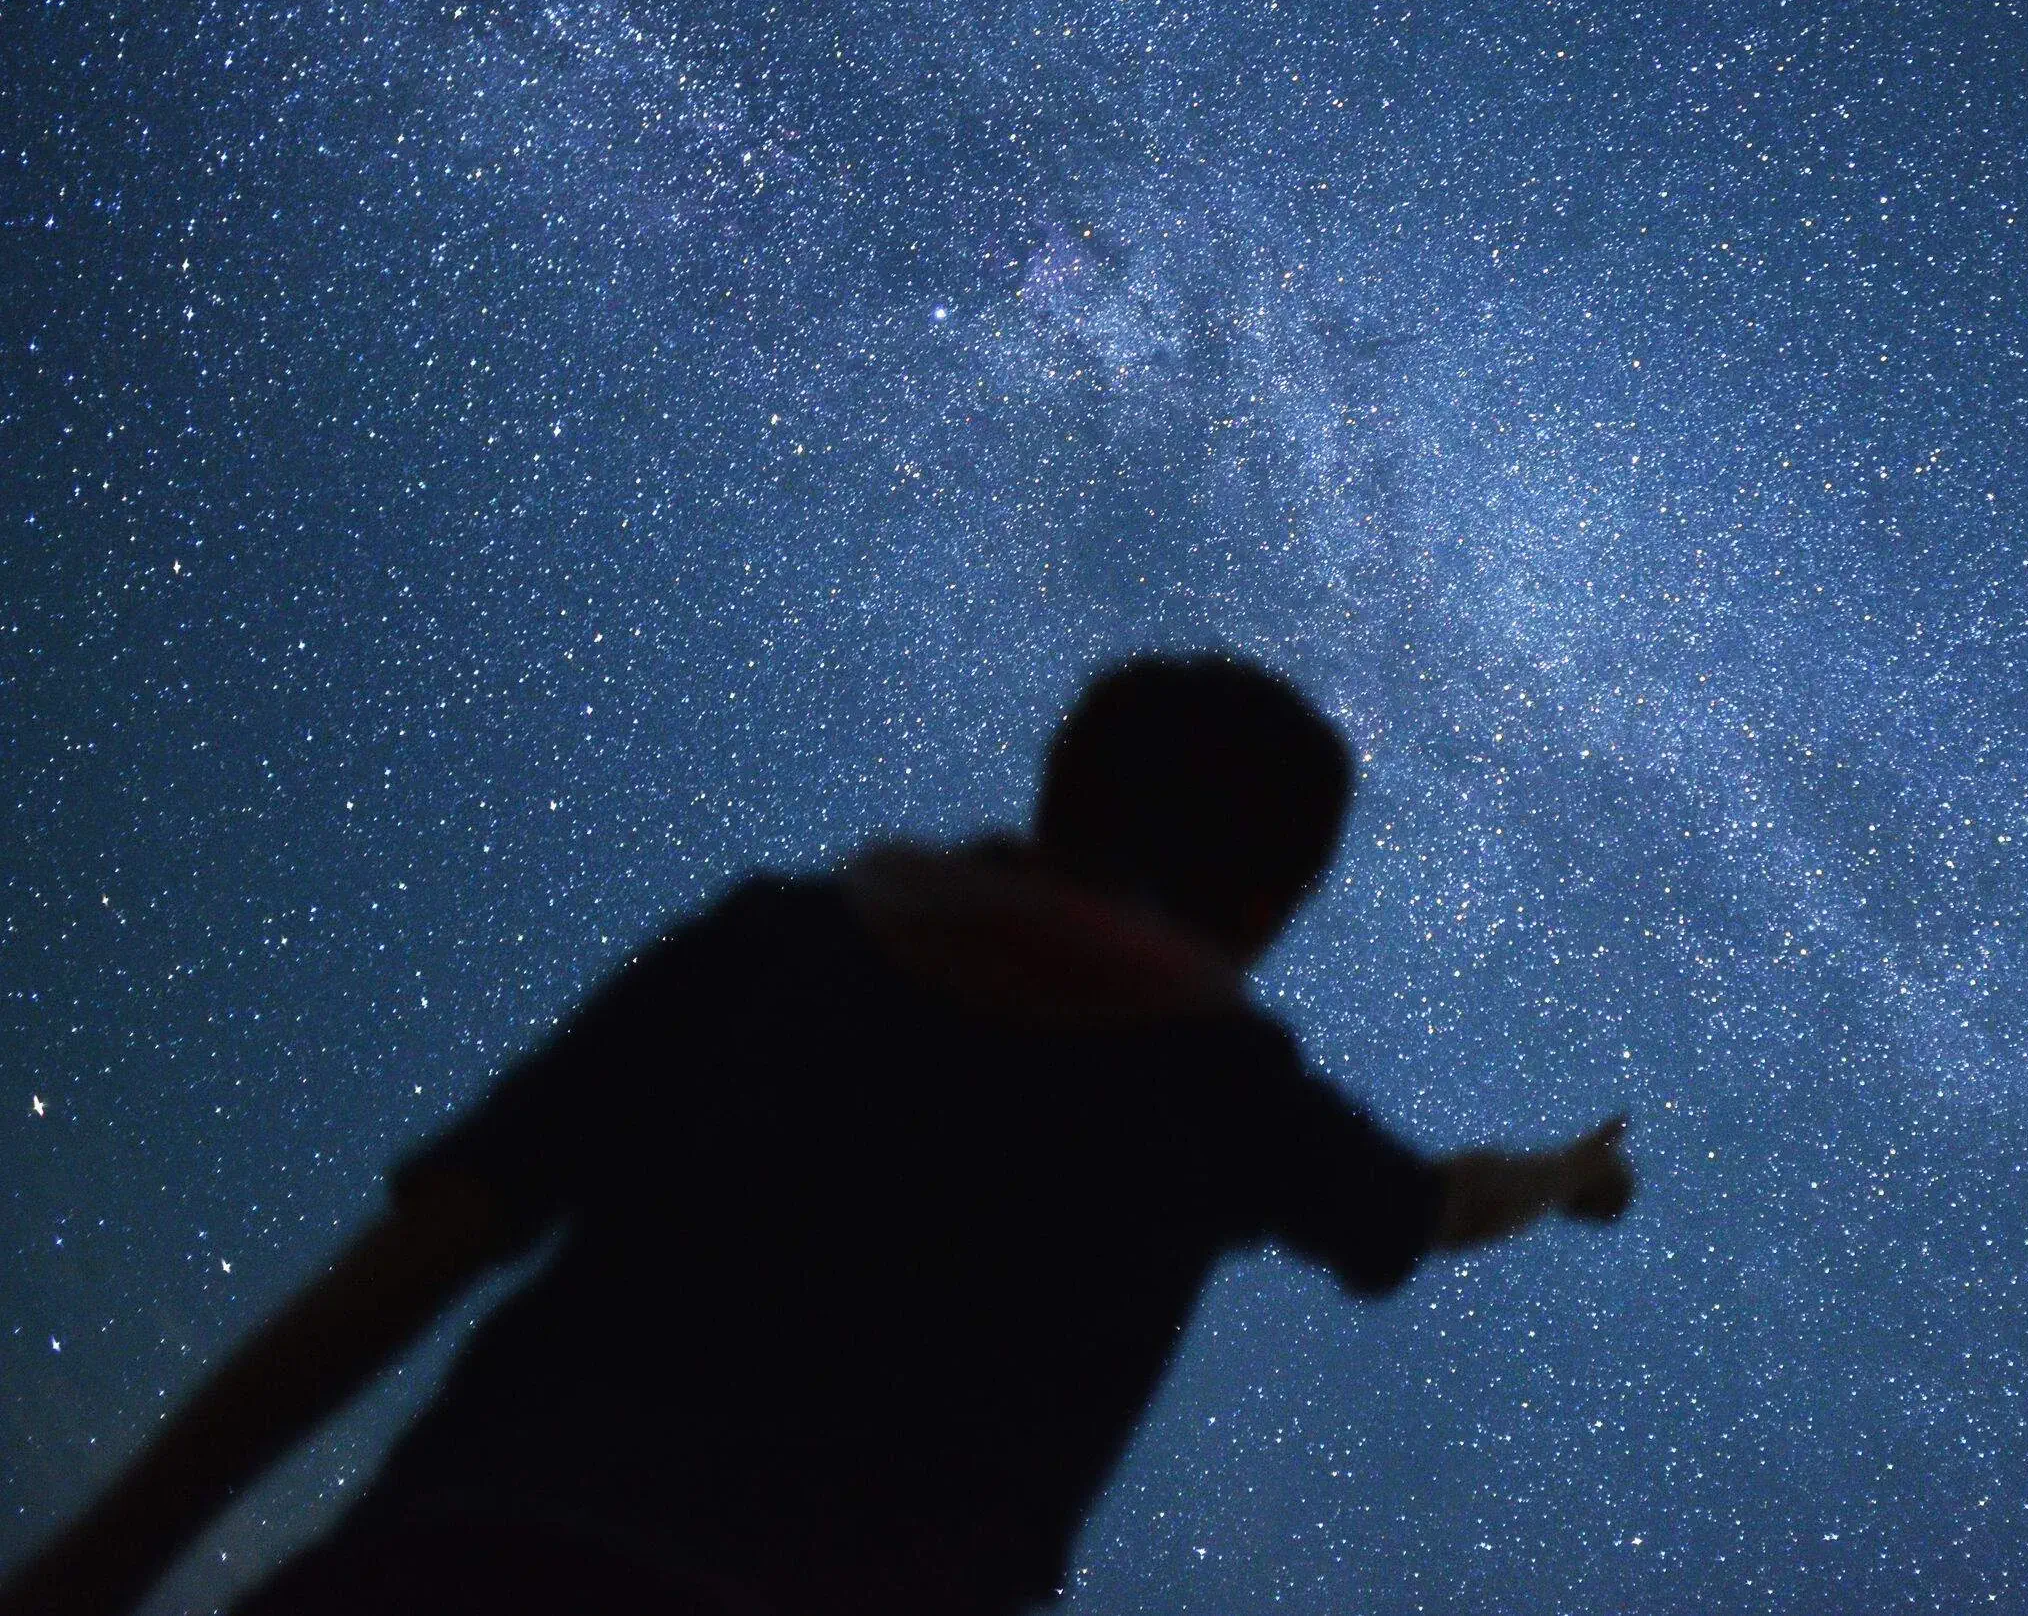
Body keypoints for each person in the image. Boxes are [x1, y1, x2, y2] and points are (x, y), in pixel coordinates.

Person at [0, 654, 1634, 1616]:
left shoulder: (781, 943)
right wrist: (1566, 1171)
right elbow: (1436, 1208)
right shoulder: (1219, 1087)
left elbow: (421, 1258)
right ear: (1277, 900)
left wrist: (111, 1551)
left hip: (460, 1568)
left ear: (1062, 793)